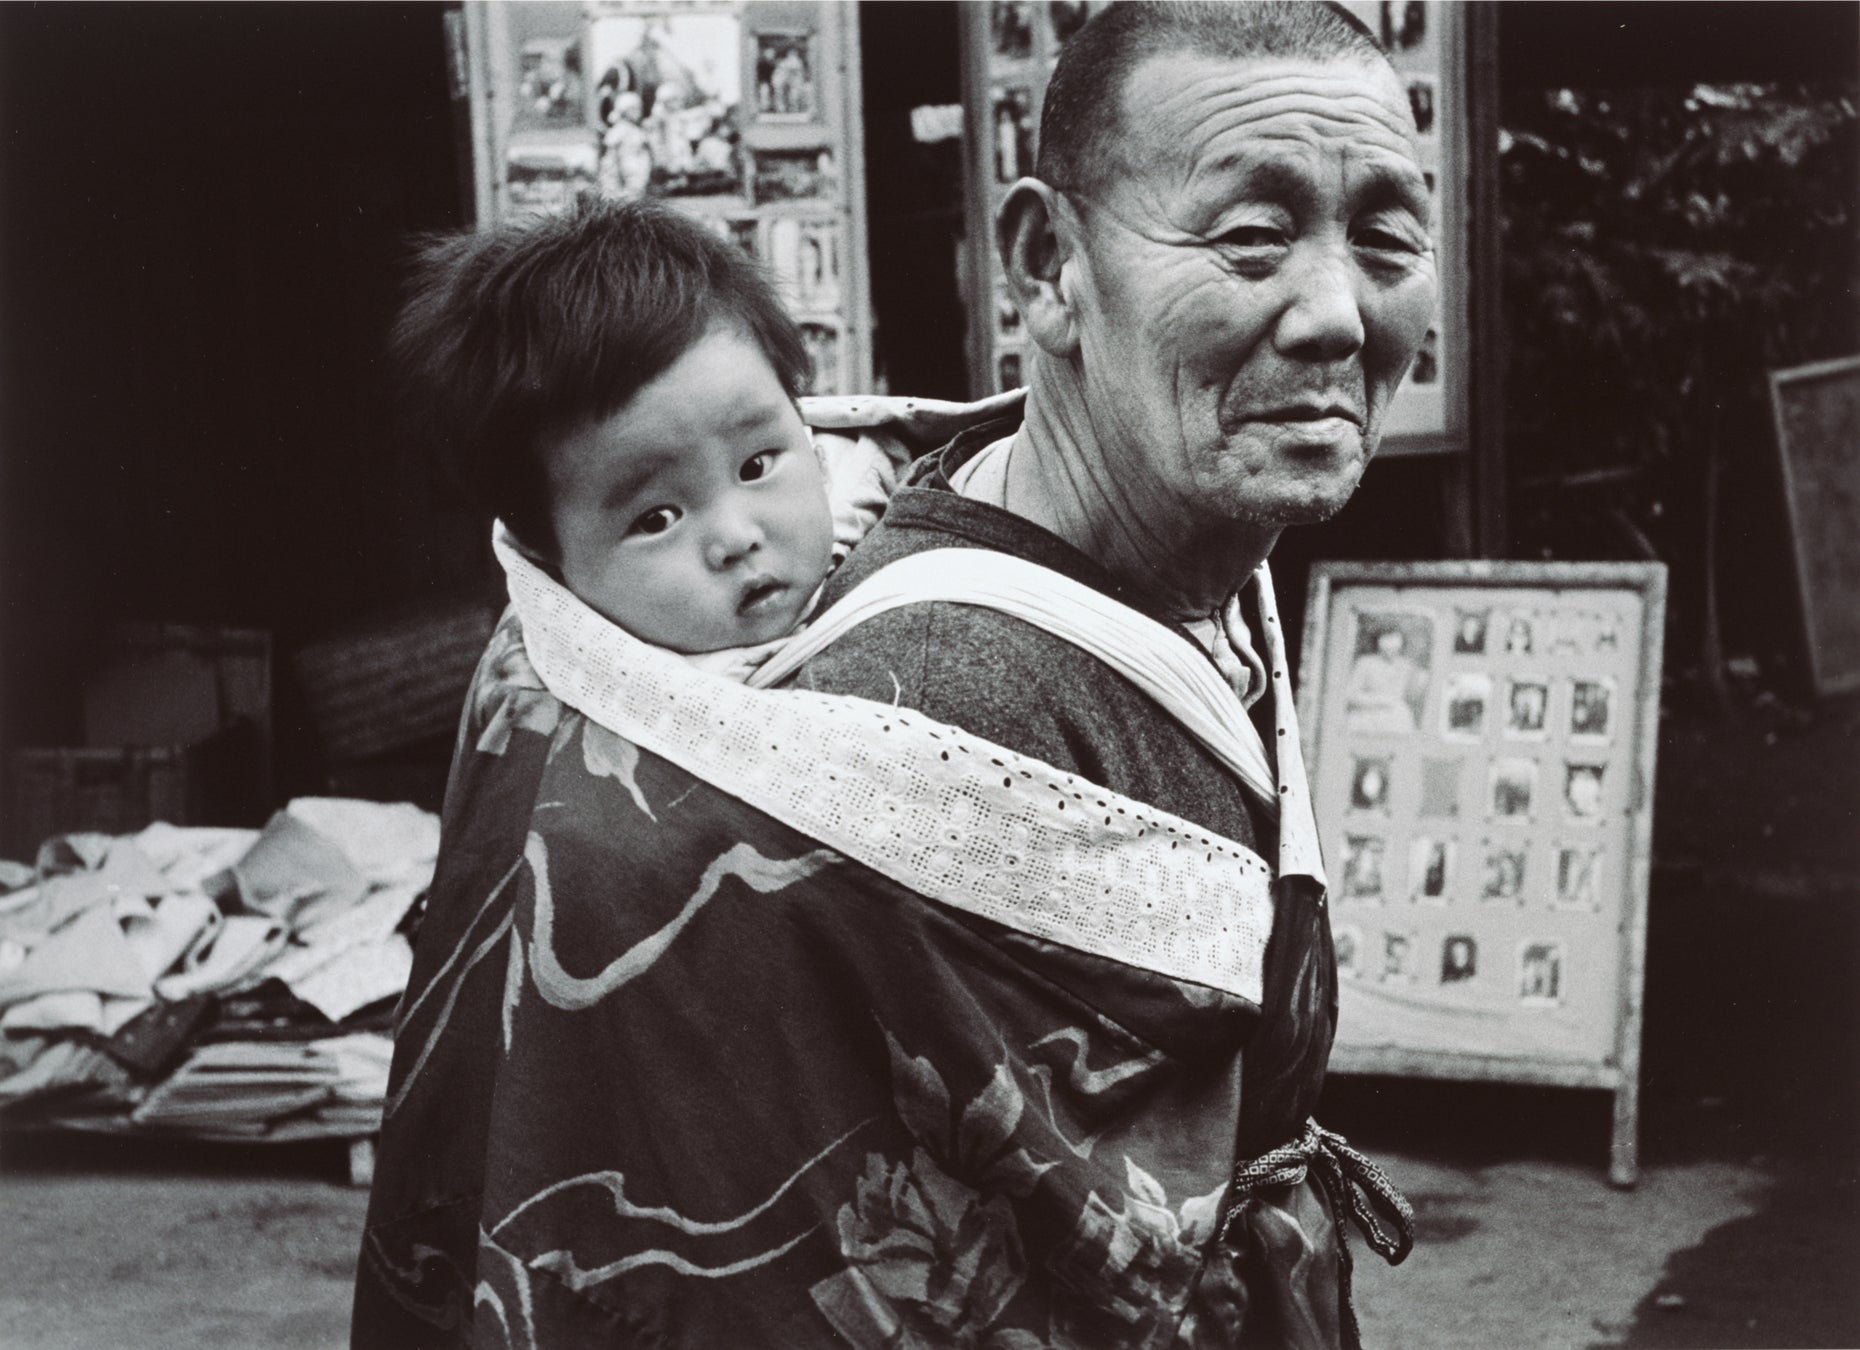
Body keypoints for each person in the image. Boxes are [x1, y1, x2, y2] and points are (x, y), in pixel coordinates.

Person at [355, 4, 1434, 1347]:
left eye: (1387, 236)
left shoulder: (1172, 558)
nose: (1336, 311)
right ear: (1049, 265)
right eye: (1251, 239)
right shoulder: (924, 707)